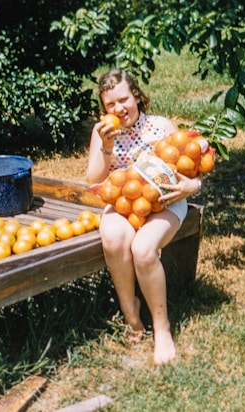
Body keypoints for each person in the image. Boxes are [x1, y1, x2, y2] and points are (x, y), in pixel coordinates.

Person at [87, 69, 202, 365]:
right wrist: (107, 147)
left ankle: (161, 329)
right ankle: (131, 313)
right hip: (127, 203)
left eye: (124, 99)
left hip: (165, 201)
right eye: (110, 104)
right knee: (113, 238)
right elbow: (94, 181)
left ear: (137, 96)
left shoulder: (160, 126)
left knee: (143, 249)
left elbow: (191, 165)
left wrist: (193, 186)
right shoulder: (102, 133)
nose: (118, 109)